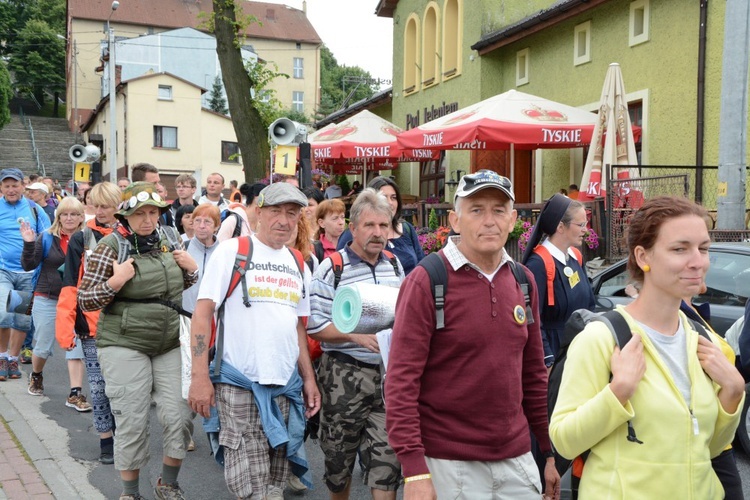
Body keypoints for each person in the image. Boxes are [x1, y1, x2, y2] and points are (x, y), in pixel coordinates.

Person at [550, 196, 745, 499]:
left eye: (703, 248)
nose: (698, 261)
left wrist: (733, 392)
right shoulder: (602, 338)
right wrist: (619, 391)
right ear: (643, 257)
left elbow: (709, 446)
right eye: (680, 248)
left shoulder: (702, 339)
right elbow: (564, 441)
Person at [385, 170, 559, 500]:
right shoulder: (427, 281)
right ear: (455, 220)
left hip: (516, 459)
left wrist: (548, 452)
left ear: (513, 220)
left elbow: (534, 375)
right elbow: (401, 382)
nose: (489, 221)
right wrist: (414, 471)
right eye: (477, 209)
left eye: (498, 210)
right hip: (448, 463)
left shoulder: (522, 281)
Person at [189, 182, 320, 500]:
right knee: (251, 486)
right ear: (258, 212)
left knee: (275, 482)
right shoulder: (232, 251)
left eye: (292, 213)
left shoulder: (297, 262)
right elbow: (203, 314)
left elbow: (297, 328)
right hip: (239, 384)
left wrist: (308, 379)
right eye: (276, 211)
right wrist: (199, 377)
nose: (284, 220)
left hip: (285, 388)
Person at [78, 182, 198, 499]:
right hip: (123, 341)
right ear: (126, 216)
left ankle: (168, 483)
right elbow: (86, 300)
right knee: (132, 417)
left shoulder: (169, 239)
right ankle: (130, 492)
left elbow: (176, 285)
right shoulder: (110, 247)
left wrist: (192, 271)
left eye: (153, 212)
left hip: (169, 339)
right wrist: (116, 282)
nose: (147, 219)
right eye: (140, 213)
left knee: (180, 414)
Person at [308, 188, 405, 500]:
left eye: (383, 226)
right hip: (342, 377)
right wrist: (353, 336)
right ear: (353, 228)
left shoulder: (395, 265)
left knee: (387, 466)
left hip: (387, 376)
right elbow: (315, 325)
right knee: (339, 465)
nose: (378, 233)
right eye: (369, 226)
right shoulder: (332, 268)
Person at [57, 181, 121, 464]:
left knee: (122, 387)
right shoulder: (81, 238)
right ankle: (105, 440)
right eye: (96, 206)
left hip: (125, 324)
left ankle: (125, 435)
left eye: (106, 205)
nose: (100, 211)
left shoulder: (129, 235)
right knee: (97, 387)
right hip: (91, 326)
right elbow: (71, 283)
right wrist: (65, 324)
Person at [22, 197, 93, 411]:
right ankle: (36, 375)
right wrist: (28, 243)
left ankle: (75, 393)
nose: (69, 218)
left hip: (76, 300)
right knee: (42, 345)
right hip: (48, 296)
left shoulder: (88, 239)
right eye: (64, 214)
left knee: (75, 345)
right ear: (58, 216)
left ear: (82, 217)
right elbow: (28, 265)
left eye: (74, 214)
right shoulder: (46, 238)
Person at [521, 194, 595, 367]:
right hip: (555, 355)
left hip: (579, 349)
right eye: (581, 224)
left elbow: (590, 304)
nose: (586, 230)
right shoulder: (538, 264)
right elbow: (533, 319)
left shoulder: (576, 257)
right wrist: (547, 360)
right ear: (561, 227)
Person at [0, 168, 51, 381]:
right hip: (3, 270)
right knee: (3, 314)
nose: (11, 190)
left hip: (28, 273)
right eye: (6, 186)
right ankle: (2, 356)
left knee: (21, 320)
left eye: (15, 185)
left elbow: (48, 237)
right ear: (1, 188)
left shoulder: (35, 209)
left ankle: (13, 359)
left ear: (23, 186)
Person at [338, 176, 424, 275]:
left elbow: (420, 264)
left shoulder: (406, 229)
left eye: (393, 198)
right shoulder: (354, 232)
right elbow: (341, 264)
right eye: (384, 197)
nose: (390, 203)